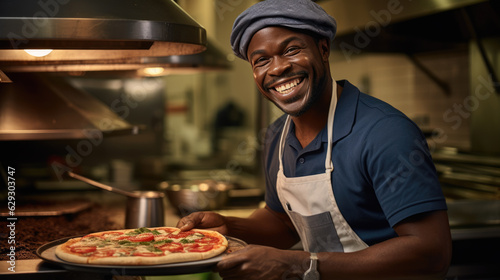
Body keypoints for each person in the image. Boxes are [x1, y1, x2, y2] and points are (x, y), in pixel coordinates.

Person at [177, 0, 452, 279]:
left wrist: (299, 265)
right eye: (261, 60)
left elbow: (432, 253)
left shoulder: (385, 133)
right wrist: (228, 226)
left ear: (323, 49)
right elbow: (284, 223)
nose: (277, 69)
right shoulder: (276, 136)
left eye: (291, 50)